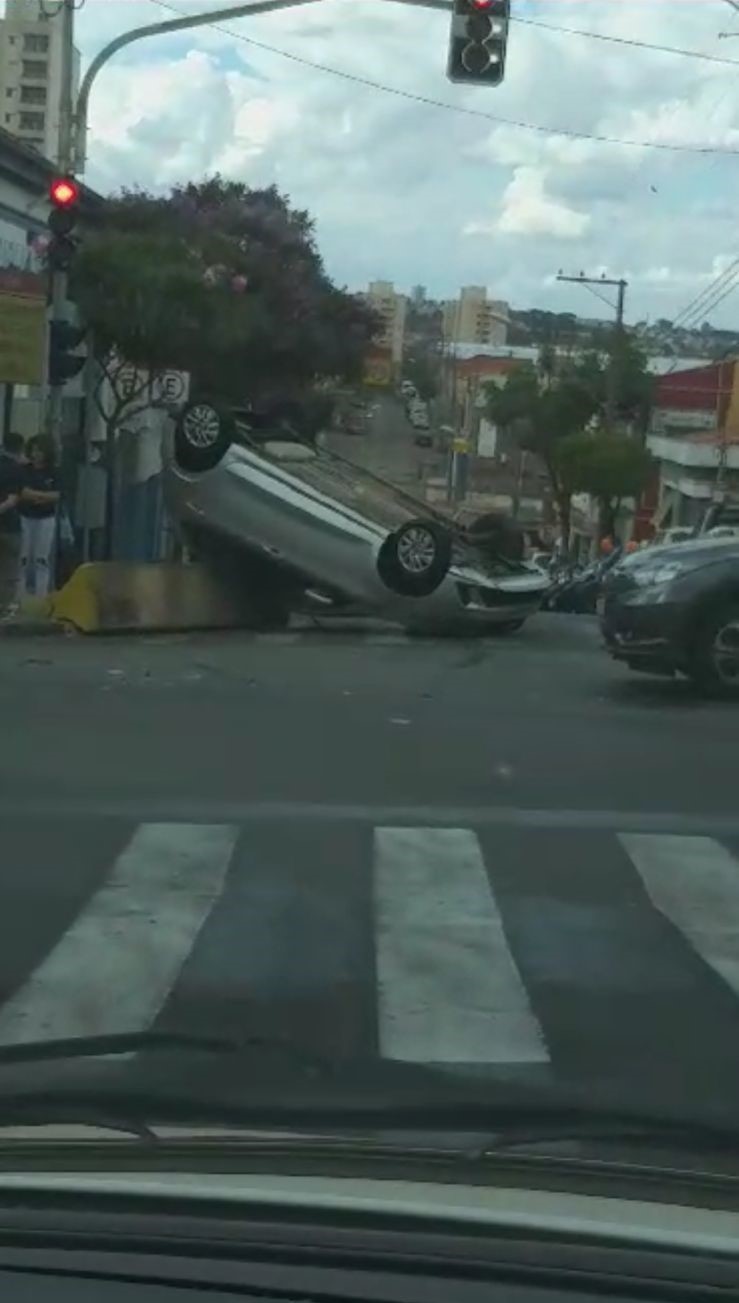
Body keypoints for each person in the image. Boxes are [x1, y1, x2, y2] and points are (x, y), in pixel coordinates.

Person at [17, 434, 60, 601]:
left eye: (40, 451)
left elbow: (57, 495)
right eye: (34, 450)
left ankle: (41, 596)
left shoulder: (54, 471)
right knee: (24, 557)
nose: (36, 454)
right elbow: (23, 491)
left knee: (41, 558)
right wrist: (43, 496)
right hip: (26, 517)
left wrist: (37, 495)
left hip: (46, 519)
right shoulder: (25, 470)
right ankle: (21, 595)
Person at [0, 433, 26, 614]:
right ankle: (5, 606)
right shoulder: (16, 469)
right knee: (9, 568)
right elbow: (12, 500)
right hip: (9, 526)